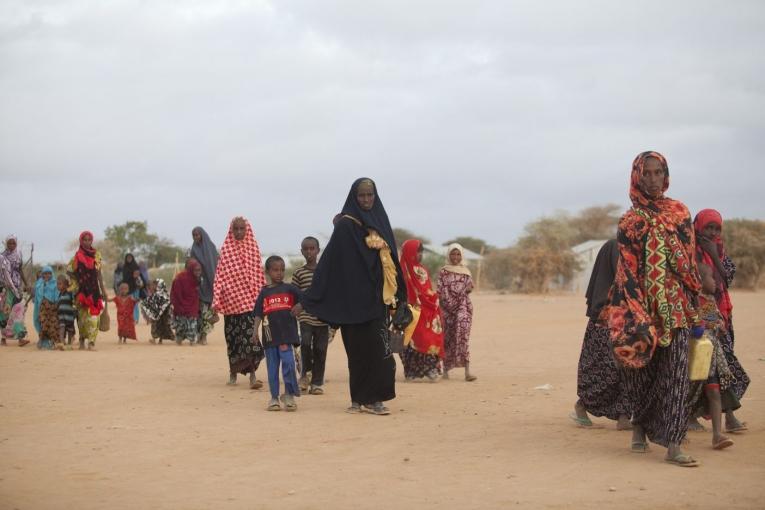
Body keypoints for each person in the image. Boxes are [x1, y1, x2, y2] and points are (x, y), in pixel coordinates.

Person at [602, 151, 703, 467]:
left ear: (666, 175)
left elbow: (689, 261)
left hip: (674, 307)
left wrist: (696, 302)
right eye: (646, 173)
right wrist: (635, 310)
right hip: (639, 305)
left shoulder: (680, 213)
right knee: (640, 373)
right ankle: (639, 427)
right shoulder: (630, 221)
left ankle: (674, 443)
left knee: (675, 375)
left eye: (658, 172)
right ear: (636, 177)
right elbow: (627, 270)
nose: (653, 179)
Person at [302, 178, 407, 415]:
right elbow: (329, 263)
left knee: (380, 352)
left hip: (377, 301)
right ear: (354, 197)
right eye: (362, 195)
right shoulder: (346, 226)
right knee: (357, 353)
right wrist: (307, 298)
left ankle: (375, 399)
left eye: (370, 195)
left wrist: (400, 295)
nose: (367, 199)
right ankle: (359, 399)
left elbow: (392, 262)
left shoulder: (381, 221)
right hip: (351, 302)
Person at [693, 209, 749, 434]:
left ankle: (729, 416)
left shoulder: (720, 250)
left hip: (721, 316)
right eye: (708, 227)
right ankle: (723, 416)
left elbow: (728, 277)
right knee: (703, 370)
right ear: (698, 227)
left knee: (721, 369)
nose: (713, 232)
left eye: (717, 228)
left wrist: (714, 254)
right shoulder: (690, 250)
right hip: (699, 318)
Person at [570, 240, 631, 429]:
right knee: (605, 370)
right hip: (604, 322)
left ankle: (624, 415)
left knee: (627, 370)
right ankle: (582, 405)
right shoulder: (614, 249)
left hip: (626, 321)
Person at [687, 264, 736, 450]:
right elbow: (695, 326)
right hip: (694, 354)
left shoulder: (709, 301)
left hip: (710, 355)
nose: (715, 281)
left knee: (714, 392)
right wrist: (712, 325)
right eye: (711, 277)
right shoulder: (692, 301)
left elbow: (716, 323)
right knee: (686, 394)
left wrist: (719, 326)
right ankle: (677, 431)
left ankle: (717, 435)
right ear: (699, 280)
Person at [212, 217, 266, 388]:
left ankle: (252, 376)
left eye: (242, 229)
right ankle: (233, 373)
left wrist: (263, 300)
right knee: (233, 340)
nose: (239, 232)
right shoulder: (226, 250)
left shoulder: (253, 249)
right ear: (231, 230)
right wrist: (216, 302)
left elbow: (259, 275)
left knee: (251, 338)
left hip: (250, 302)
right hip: (231, 304)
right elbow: (219, 277)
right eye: (236, 229)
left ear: (247, 229)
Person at [254, 256, 303, 411]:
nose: (279, 273)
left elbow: (306, 299)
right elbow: (258, 314)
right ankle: (274, 398)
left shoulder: (290, 289)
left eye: (282, 270)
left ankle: (289, 395)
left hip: (286, 336)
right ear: (267, 272)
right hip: (269, 337)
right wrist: (255, 331)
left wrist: (300, 306)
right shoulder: (264, 292)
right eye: (275, 270)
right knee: (272, 368)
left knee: (288, 364)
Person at [399, 239, 444, 382]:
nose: (420, 255)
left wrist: (433, 298)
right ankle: (411, 371)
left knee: (428, 339)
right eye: (417, 252)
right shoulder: (399, 271)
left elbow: (427, 289)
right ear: (409, 252)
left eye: (421, 252)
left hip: (426, 311)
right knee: (407, 341)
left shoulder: (422, 270)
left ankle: (430, 369)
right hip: (407, 311)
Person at [291, 236, 331, 395]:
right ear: (301, 251)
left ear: (318, 250)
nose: (309, 252)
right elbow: (295, 295)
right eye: (306, 249)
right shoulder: (298, 273)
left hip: (323, 318)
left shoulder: (326, 271)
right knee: (306, 344)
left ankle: (317, 382)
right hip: (306, 317)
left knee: (321, 349)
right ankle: (304, 376)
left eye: (312, 248)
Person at [437, 243, 477, 381]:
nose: (455, 257)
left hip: (463, 307)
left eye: (458, 254)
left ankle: (467, 371)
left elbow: (469, 287)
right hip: (446, 309)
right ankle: (446, 371)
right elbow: (440, 290)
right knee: (447, 338)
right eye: (453, 254)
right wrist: (449, 303)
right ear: (448, 255)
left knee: (463, 335)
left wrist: (469, 289)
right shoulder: (444, 271)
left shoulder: (466, 271)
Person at [68, 231, 107, 351]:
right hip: (82, 291)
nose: (87, 242)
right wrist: (77, 281)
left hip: (94, 290)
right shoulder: (77, 256)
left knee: (94, 317)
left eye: (89, 240)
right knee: (82, 319)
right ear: (81, 241)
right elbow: (69, 270)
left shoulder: (97, 255)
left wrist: (103, 290)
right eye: (84, 240)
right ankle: (81, 341)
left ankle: (91, 342)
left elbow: (99, 274)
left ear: (92, 241)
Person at [190, 227, 220, 345]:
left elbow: (216, 264)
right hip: (199, 284)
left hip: (210, 283)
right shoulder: (193, 249)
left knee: (207, 312)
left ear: (202, 235)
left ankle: (204, 336)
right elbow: (190, 266)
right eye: (194, 235)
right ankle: (199, 335)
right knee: (199, 312)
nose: (196, 237)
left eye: (197, 235)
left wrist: (215, 283)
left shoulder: (211, 248)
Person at [0, 235, 31, 346]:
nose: (12, 245)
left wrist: (26, 284)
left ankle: (20, 338)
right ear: (6, 244)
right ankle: (3, 338)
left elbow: (20, 270)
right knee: (5, 313)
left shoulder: (18, 254)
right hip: (6, 289)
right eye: (9, 243)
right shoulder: (2, 257)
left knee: (19, 311)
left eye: (14, 243)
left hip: (17, 287)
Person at [171, 259, 201, 346]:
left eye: (199, 270)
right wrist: (180, 304)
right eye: (196, 270)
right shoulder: (180, 278)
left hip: (192, 304)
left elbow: (196, 291)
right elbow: (176, 293)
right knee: (181, 323)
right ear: (191, 269)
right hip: (181, 303)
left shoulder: (197, 279)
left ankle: (192, 340)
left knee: (192, 322)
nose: (198, 272)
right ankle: (179, 338)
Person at [33, 265, 62, 350]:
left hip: (52, 308)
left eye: (49, 273)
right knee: (44, 325)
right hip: (42, 308)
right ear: (42, 274)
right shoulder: (39, 283)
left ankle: (52, 342)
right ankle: (43, 340)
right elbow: (37, 296)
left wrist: (56, 305)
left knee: (53, 325)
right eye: (45, 273)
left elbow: (57, 295)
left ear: (51, 274)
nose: (47, 275)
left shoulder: (55, 283)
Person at [141, 279, 174, 344]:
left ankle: (160, 340)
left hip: (162, 315)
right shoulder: (152, 294)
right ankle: (154, 338)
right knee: (154, 326)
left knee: (162, 326)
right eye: (151, 286)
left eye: (154, 285)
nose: (152, 287)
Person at [121, 254, 143, 323]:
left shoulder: (136, 266)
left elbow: (140, 277)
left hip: (135, 288)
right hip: (127, 288)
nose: (129, 259)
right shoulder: (125, 267)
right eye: (128, 258)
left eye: (130, 258)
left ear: (132, 258)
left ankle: (135, 319)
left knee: (135, 303)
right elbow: (124, 278)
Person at [56, 275, 77, 348]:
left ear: (65, 285)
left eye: (60, 284)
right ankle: (61, 342)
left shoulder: (70, 293)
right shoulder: (59, 294)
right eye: (57, 284)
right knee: (61, 328)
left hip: (69, 316)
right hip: (61, 315)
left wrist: (75, 311)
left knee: (70, 330)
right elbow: (58, 303)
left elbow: (74, 302)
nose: (58, 286)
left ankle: (69, 343)